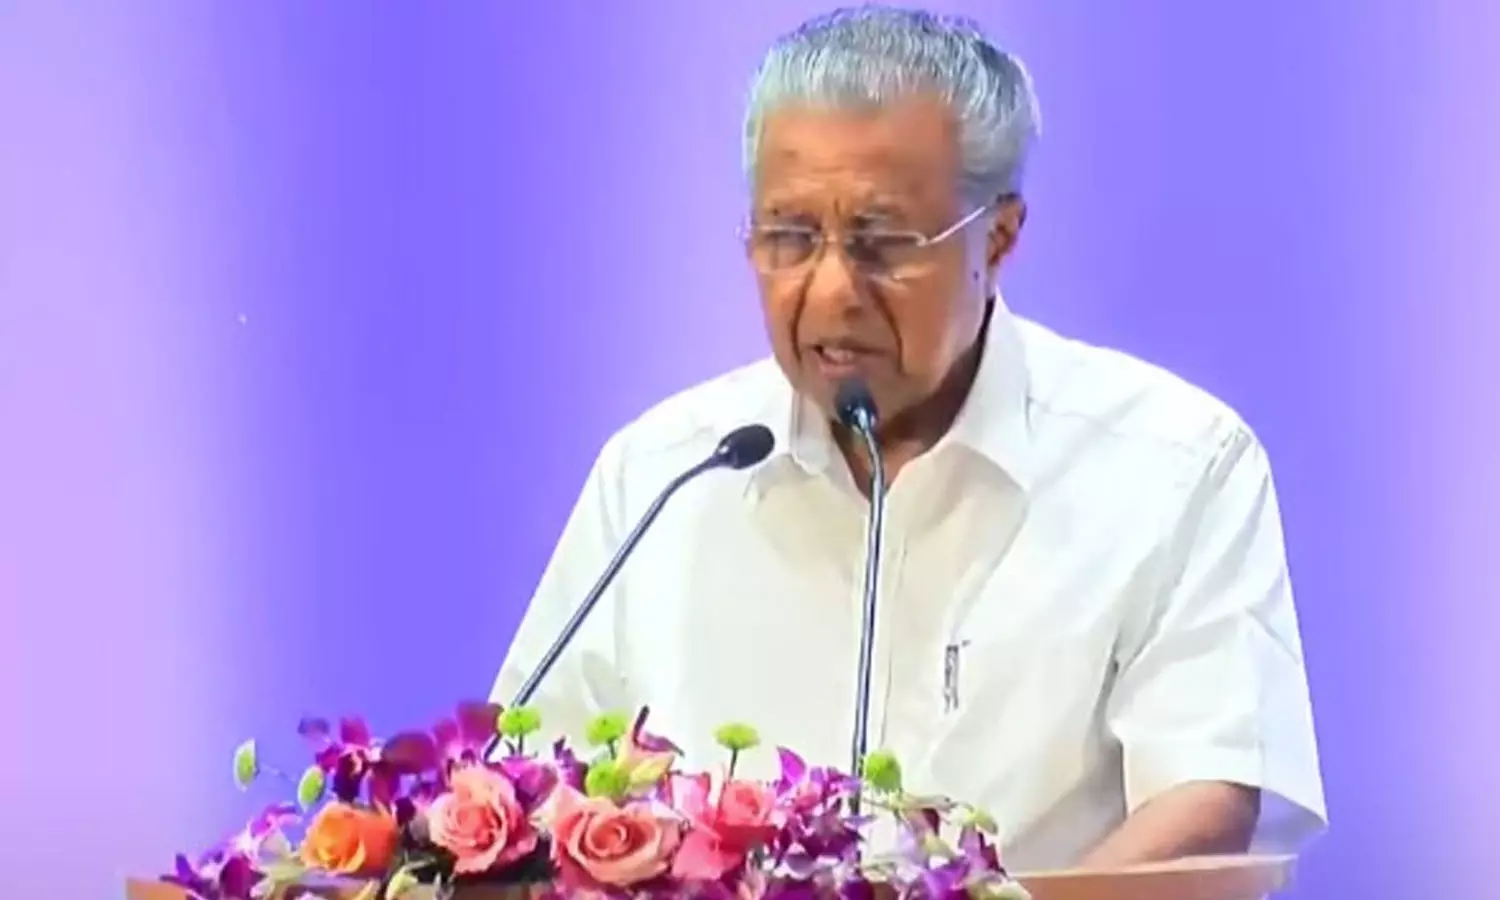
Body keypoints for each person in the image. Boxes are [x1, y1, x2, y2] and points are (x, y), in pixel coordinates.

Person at [490, 5, 1326, 872]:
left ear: (999, 236)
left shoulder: (1174, 466)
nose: (831, 291)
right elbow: (530, 785)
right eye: (789, 237)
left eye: (882, 243)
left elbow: (1206, 801)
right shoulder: (663, 472)